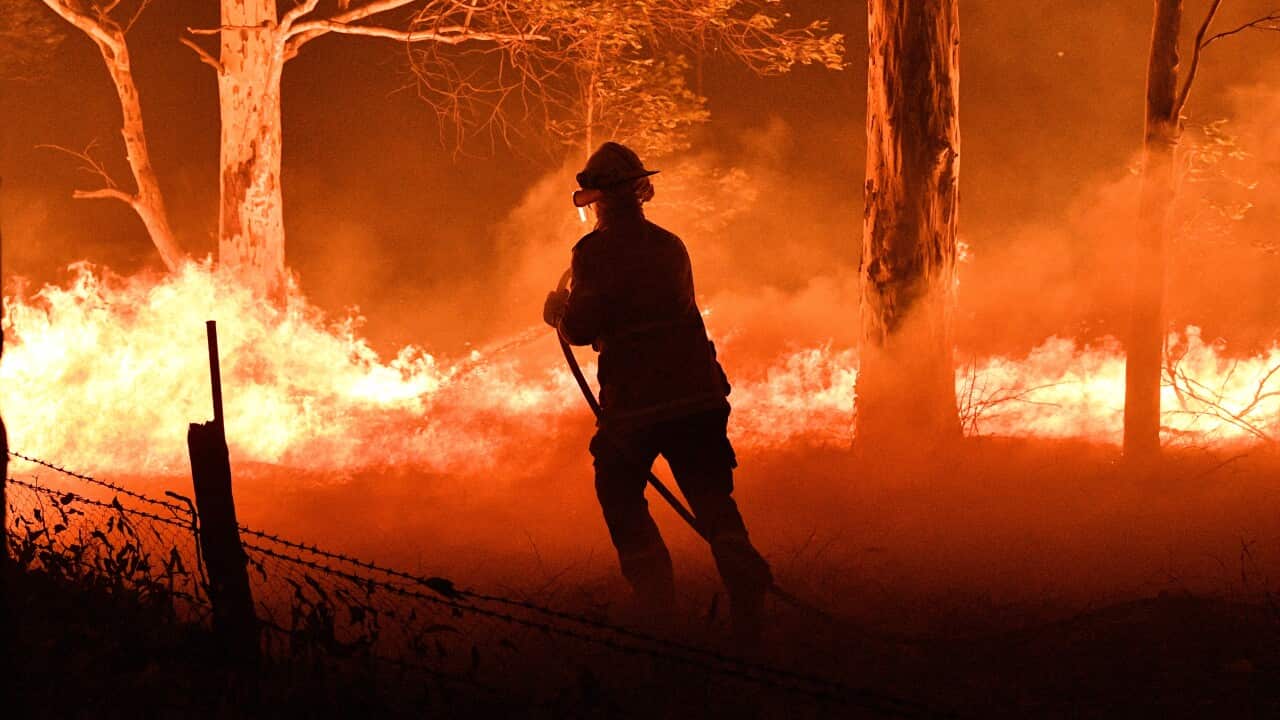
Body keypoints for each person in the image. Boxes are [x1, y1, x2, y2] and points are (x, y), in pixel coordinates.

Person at [543, 142, 773, 643]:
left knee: (618, 490)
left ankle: (655, 604)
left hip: (637, 403)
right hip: (697, 396)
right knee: (712, 497)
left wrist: (556, 313)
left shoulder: (594, 253)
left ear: (599, 199)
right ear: (640, 193)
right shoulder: (670, 244)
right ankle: (746, 595)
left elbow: (580, 329)